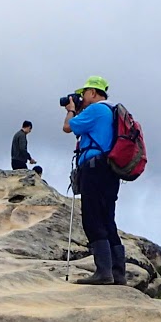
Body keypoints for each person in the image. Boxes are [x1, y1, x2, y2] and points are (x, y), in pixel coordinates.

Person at [62, 75, 124, 285]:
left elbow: (68, 127)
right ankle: (118, 273)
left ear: (92, 92)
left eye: (84, 94)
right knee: (108, 219)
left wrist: (71, 110)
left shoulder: (96, 109)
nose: (82, 98)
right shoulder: (112, 111)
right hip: (111, 169)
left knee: (93, 218)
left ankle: (103, 272)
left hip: (94, 168)